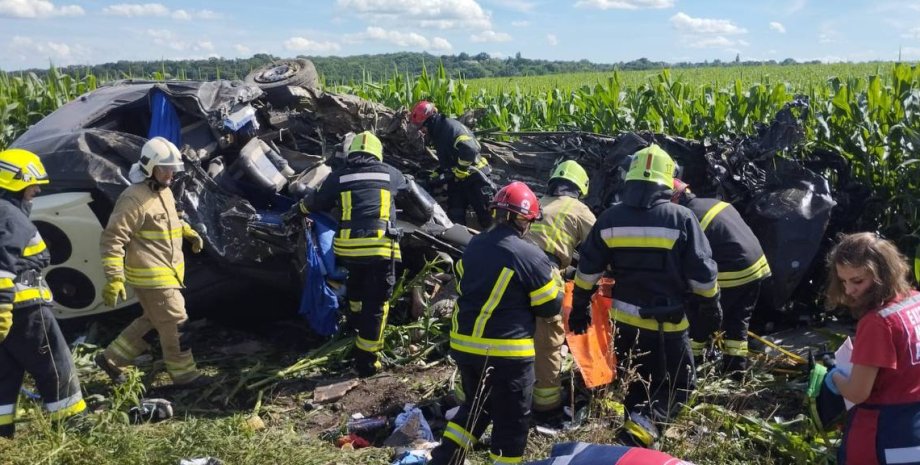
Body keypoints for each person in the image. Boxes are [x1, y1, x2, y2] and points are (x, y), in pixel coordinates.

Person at [569, 145, 721, 448]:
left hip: (624, 323)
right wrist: (711, 307)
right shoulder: (682, 218)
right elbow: (703, 274)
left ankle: (631, 440)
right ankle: (640, 434)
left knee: (636, 385)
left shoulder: (610, 218)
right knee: (679, 386)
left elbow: (587, 270)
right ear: (668, 179)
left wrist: (579, 306)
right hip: (669, 324)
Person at [429, 181, 562, 465]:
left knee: (477, 407)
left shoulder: (475, 246)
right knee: (512, 422)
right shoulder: (530, 255)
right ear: (523, 218)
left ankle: (444, 460)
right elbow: (549, 307)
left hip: (466, 349)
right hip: (508, 354)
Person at [95, 137, 208, 387]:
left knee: (154, 320)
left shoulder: (163, 191)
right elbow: (112, 239)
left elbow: (168, 220)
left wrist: (186, 230)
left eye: (172, 168)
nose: (170, 174)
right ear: (149, 167)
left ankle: (111, 359)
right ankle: (185, 376)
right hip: (153, 278)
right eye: (164, 168)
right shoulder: (133, 198)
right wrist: (114, 277)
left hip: (169, 274)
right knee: (177, 323)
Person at [295, 131, 407, 377]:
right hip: (380, 249)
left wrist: (299, 209)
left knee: (356, 294)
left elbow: (314, 203)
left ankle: (354, 328)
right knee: (377, 305)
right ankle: (367, 361)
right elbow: (408, 192)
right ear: (377, 153)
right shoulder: (392, 174)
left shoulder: (339, 176)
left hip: (350, 251)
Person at [0, 148, 86, 437]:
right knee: (55, 364)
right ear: (16, 182)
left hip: (13, 310)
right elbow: (2, 268)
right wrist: (2, 309)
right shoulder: (10, 216)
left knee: (6, 373)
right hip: (25, 309)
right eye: (32, 184)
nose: (36, 190)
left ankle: (3, 431)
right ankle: (72, 424)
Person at [823, 232, 920, 465]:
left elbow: (857, 392)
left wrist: (834, 376)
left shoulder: (877, 322)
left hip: (885, 430)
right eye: (843, 281)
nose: (848, 291)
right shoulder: (915, 301)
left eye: (857, 281)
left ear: (882, 275)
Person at [671, 179, 771, 373]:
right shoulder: (713, 203)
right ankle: (735, 374)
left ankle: (690, 368)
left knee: (699, 317)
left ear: (674, 198)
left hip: (733, 271)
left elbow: (693, 262)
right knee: (737, 323)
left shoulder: (687, 217)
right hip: (757, 267)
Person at [525, 160, 596, 417]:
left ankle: (478, 393)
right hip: (543, 273)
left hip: (510, 268)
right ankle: (546, 403)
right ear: (580, 188)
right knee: (547, 337)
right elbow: (599, 247)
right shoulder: (578, 209)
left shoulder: (534, 201)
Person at [409, 100, 495, 229]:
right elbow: (449, 161)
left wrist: (460, 170)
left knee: (487, 219)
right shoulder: (439, 133)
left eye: (422, 127)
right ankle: (460, 247)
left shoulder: (449, 128)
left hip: (476, 177)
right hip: (459, 181)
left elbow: (470, 148)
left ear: (430, 122)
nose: (422, 132)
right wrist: (437, 174)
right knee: (455, 218)